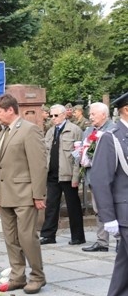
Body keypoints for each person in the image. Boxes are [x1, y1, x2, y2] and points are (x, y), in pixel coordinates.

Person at [0, 93, 48, 295]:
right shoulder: (3, 132)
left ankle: (37, 276)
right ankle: (18, 275)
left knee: (27, 237)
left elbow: (38, 164)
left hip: (25, 193)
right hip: (6, 194)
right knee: (11, 238)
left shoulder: (29, 130)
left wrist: (38, 195)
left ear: (10, 110)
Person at [89, 92, 128, 296]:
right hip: (124, 212)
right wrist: (108, 218)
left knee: (124, 261)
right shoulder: (111, 137)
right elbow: (101, 179)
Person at [39, 104, 86, 246]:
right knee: (51, 205)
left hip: (68, 174)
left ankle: (78, 236)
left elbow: (78, 156)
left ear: (64, 115)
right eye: (51, 115)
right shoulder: (50, 131)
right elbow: (45, 153)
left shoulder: (75, 130)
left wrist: (76, 177)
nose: (53, 118)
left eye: (56, 115)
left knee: (73, 206)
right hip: (52, 174)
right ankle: (48, 235)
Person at [79, 103, 115, 253]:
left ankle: (121, 240)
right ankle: (102, 242)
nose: (90, 117)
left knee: (116, 208)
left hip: (111, 177)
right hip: (93, 177)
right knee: (98, 209)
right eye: (90, 114)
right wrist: (81, 156)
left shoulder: (113, 129)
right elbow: (81, 149)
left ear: (104, 115)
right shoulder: (88, 131)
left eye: (94, 114)